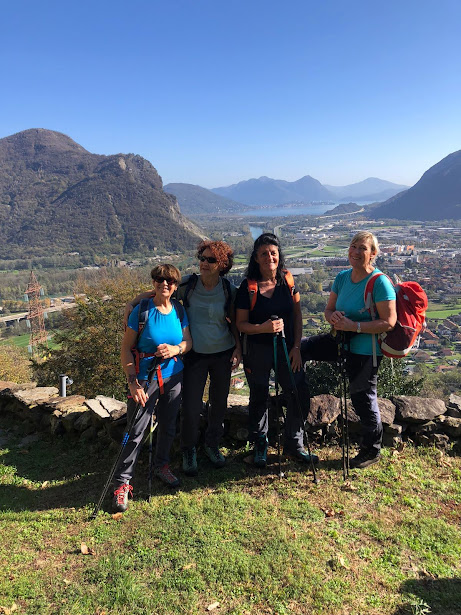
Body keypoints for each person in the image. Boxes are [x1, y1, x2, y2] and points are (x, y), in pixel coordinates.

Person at [125, 240, 241, 477]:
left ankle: (212, 445)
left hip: (222, 353)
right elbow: (160, 291)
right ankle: (189, 450)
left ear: (222, 265)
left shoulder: (229, 290)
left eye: (211, 260)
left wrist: (238, 348)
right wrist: (133, 302)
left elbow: (234, 323)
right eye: (202, 258)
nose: (204, 263)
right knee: (191, 405)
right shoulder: (189, 284)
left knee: (219, 403)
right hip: (194, 355)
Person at [301, 231, 397, 469]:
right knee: (302, 349)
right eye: (353, 246)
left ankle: (372, 450)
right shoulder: (342, 278)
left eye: (362, 248)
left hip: (366, 349)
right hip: (340, 340)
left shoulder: (379, 282)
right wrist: (332, 317)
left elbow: (389, 322)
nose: (356, 252)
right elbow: (328, 310)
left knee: (362, 397)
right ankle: (296, 401)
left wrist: (355, 326)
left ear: (373, 254)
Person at [113, 264, 192, 513]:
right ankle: (122, 483)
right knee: (136, 430)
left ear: (176, 286)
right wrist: (132, 382)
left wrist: (176, 349)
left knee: (168, 425)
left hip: (174, 376)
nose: (164, 284)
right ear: (153, 283)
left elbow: (188, 342)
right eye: (159, 279)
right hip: (144, 379)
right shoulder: (141, 311)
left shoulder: (179, 310)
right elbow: (126, 349)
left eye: (170, 281)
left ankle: (162, 466)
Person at [235, 232, 318, 468]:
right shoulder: (248, 287)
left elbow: (298, 316)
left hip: (287, 349)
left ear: (279, 255)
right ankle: (260, 445)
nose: (269, 257)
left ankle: (294, 444)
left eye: (273, 253)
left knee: (298, 392)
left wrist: (297, 347)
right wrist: (263, 328)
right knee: (259, 396)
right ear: (256, 258)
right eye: (263, 254)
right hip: (257, 351)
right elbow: (241, 324)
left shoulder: (288, 281)